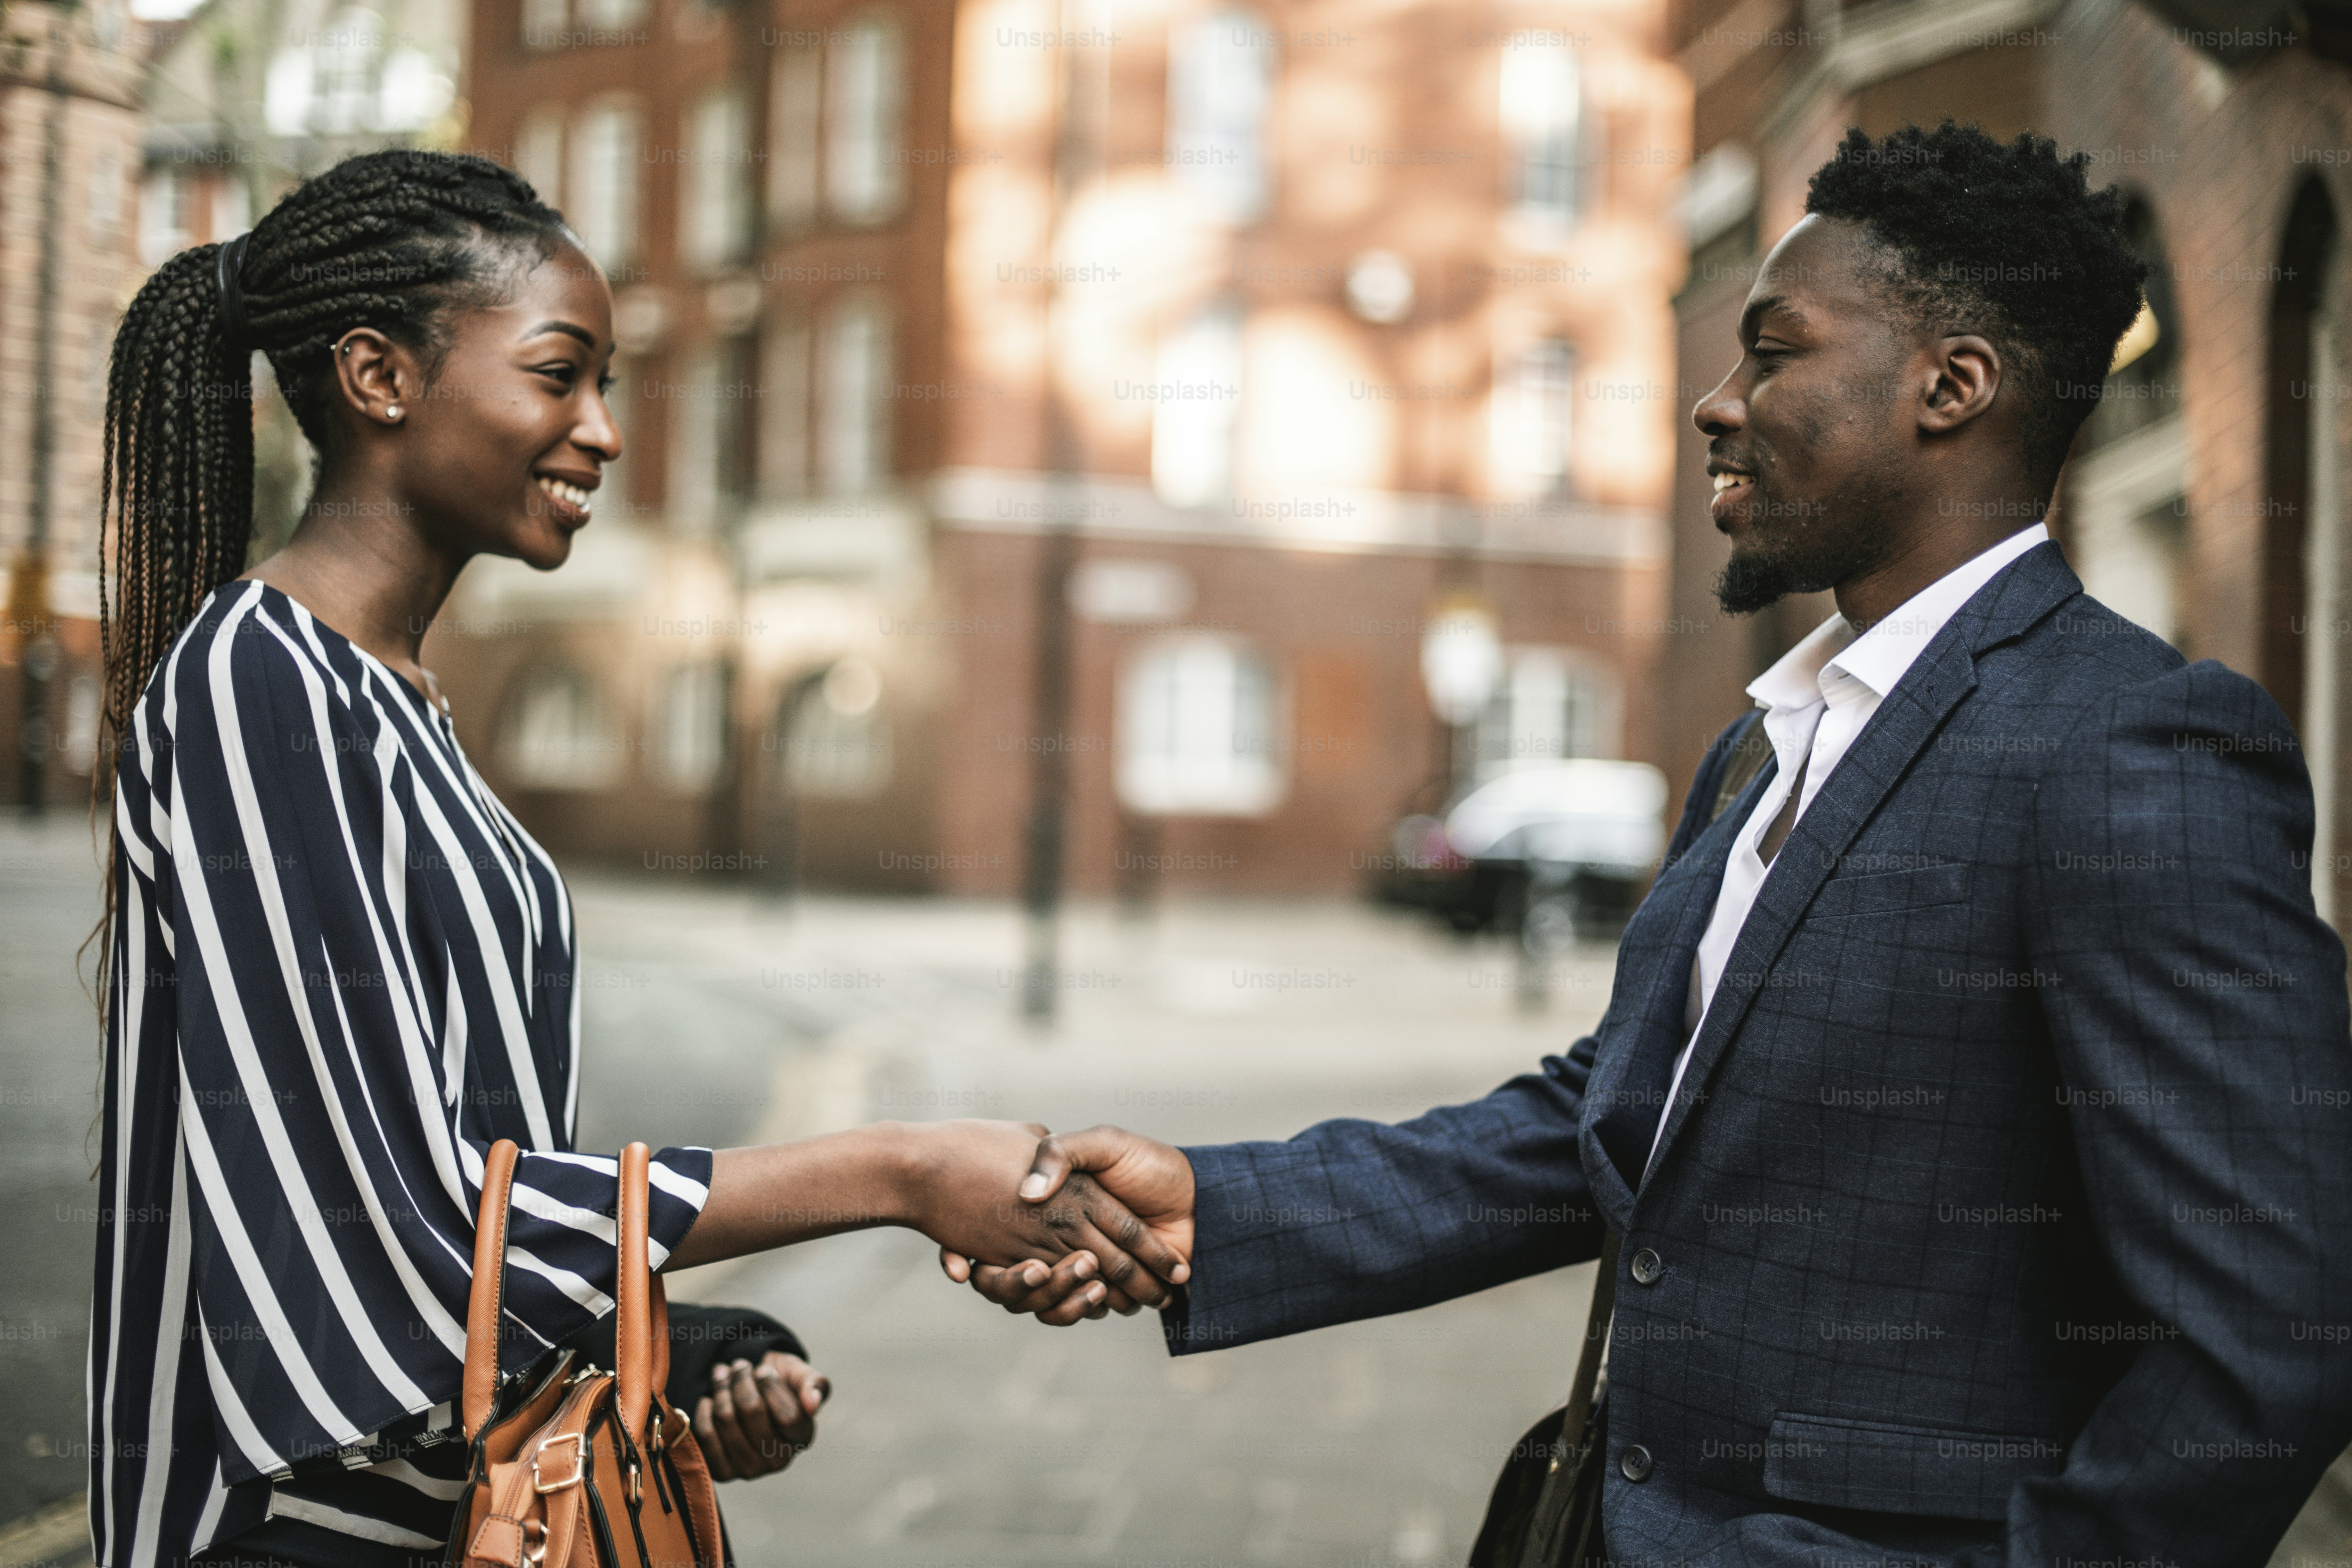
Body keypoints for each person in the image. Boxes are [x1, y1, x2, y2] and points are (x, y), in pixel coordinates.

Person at [949, 122, 2352, 1565]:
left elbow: (2265, 1347)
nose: (1715, 403)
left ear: (1953, 387)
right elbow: (1612, 1119)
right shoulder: (1770, 739)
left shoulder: (2136, 748)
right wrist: (1220, 1207)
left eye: (1775, 352)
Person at [87, 149, 1182, 1568]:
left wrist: (685, 1348)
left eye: (607, 386)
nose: (601, 432)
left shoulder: (393, 701)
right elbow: (375, 1229)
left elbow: (472, 1181)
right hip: (286, 1528)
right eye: (559, 374)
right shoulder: (256, 678)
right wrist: (904, 1166)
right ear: (378, 377)